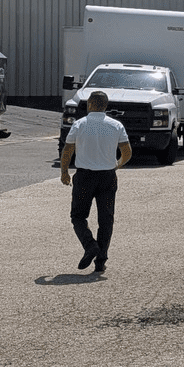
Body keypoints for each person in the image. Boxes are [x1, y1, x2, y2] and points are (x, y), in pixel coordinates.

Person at [60, 91, 133, 277]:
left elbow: (68, 149)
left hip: (84, 176)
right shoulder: (116, 125)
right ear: (106, 106)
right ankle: (101, 262)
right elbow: (127, 151)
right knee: (106, 219)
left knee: (78, 216)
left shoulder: (79, 124)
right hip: (107, 177)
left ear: (91, 104)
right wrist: (118, 165)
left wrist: (64, 172)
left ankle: (90, 245)